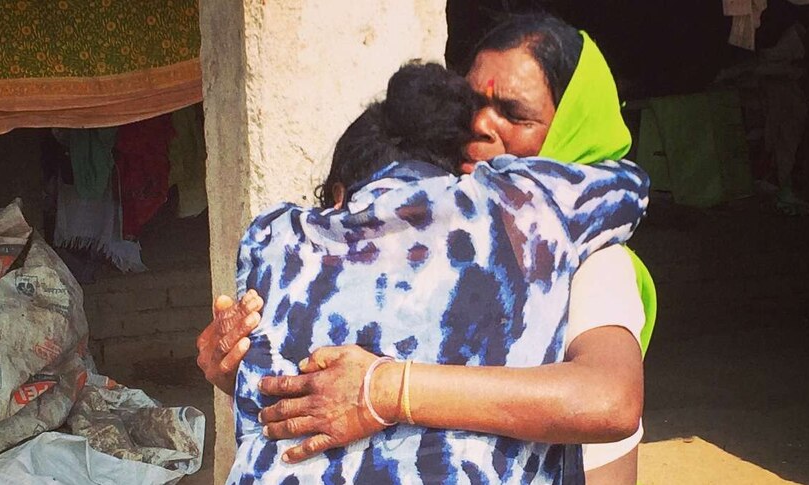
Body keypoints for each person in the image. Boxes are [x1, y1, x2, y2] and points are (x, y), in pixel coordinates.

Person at [196, 13, 654, 485]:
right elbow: (335, 396)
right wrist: (241, 367)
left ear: (574, 128)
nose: (480, 125)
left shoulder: (595, 261)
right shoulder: (431, 235)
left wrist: (387, 389)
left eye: (513, 114)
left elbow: (609, 400)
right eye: (472, 103)